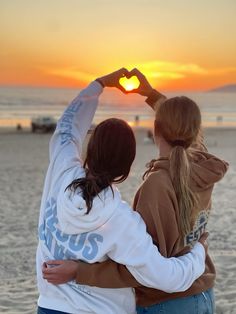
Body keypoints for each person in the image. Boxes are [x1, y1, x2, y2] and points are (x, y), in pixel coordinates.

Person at [43, 69, 228, 314]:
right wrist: (150, 94)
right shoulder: (204, 168)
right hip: (204, 294)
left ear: (156, 131)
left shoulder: (155, 186)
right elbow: (188, 135)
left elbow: (147, 271)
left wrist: (81, 271)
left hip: (165, 302)